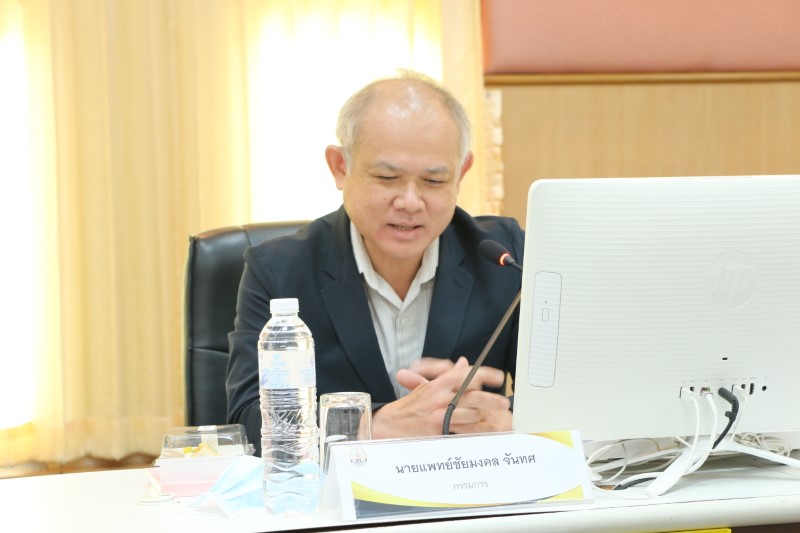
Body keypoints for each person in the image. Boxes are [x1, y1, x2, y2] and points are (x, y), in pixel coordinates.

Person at [226, 71, 524, 455]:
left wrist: (511, 421)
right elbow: (248, 420)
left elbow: (570, 396)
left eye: (434, 181)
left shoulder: (504, 260)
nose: (410, 202)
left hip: (468, 483)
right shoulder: (278, 271)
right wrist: (375, 426)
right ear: (340, 167)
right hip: (339, 490)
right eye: (387, 177)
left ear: (461, 173)